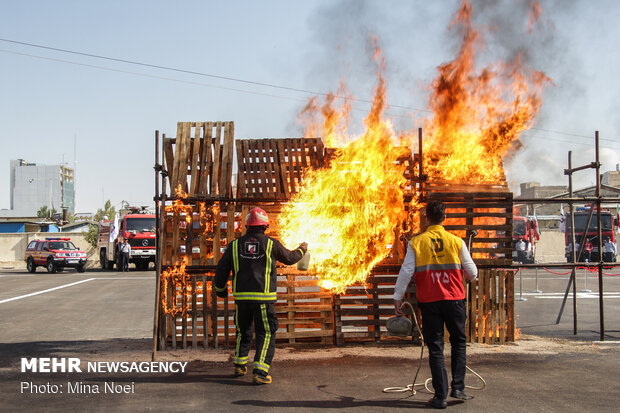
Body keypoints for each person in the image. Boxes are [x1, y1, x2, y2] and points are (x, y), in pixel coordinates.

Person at [394, 201, 478, 409]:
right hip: (455, 300)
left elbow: (406, 272)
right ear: (444, 218)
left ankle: (440, 396)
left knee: (435, 347)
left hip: (430, 301)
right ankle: (458, 387)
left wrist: (398, 297)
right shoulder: (456, 242)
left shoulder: (417, 242)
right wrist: (465, 278)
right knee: (458, 342)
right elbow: (472, 272)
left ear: (426, 218)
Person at [214, 207, 307, 385]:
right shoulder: (271, 244)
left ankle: (240, 366)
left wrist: (220, 290)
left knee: (243, 331)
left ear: (247, 225)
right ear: (265, 225)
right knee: (266, 332)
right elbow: (289, 257)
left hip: (242, 300)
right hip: (263, 300)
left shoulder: (234, 246)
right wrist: (302, 250)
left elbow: (222, 269)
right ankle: (260, 372)